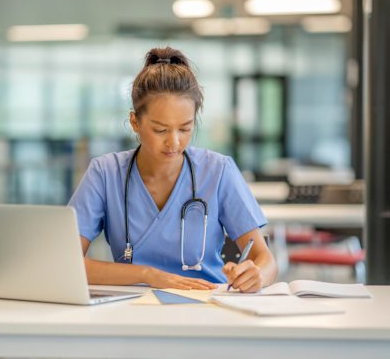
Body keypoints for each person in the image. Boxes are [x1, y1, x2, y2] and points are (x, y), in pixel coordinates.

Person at [68, 46, 277, 292]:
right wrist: (148, 275)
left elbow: (266, 260)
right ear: (135, 122)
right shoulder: (105, 173)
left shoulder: (218, 171)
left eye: (185, 129)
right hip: (131, 307)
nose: (174, 142)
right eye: (160, 130)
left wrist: (256, 275)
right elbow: (68, 264)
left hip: (207, 304)